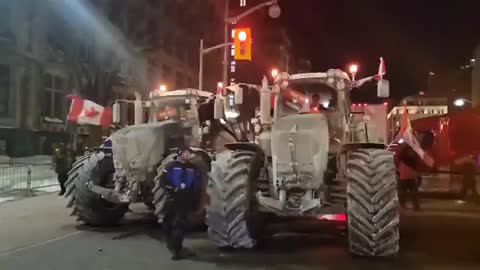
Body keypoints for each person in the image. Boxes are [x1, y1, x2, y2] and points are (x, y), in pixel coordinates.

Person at [160, 147, 206, 260]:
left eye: (188, 153)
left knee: (179, 224)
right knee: (167, 221)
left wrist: (196, 199)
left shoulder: (193, 168)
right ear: (179, 154)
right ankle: (171, 243)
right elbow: (163, 181)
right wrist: (171, 190)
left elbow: (197, 185)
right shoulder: (171, 166)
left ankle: (177, 250)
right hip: (172, 198)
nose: (187, 155)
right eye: (185, 153)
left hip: (185, 199)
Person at [397, 144, 434, 210]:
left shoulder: (402, 155)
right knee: (413, 192)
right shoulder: (413, 156)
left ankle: (405, 205)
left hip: (404, 176)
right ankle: (415, 206)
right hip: (409, 176)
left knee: (404, 192)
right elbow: (417, 165)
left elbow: (398, 163)